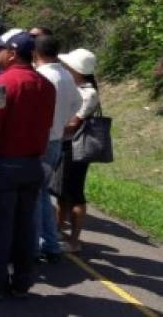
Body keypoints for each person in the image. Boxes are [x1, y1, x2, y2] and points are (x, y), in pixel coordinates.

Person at [0, 31, 56, 298]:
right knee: (25, 226)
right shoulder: (45, 85)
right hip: (33, 164)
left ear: (13, 53)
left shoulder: (4, 82)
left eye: (1, 49)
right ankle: (22, 279)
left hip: (5, 164)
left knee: (0, 227)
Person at [33, 34, 82, 262]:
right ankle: (50, 243)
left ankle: (38, 244)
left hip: (40, 140)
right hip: (56, 140)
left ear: (36, 53)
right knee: (41, 193)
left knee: (34, 194)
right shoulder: (65, 76)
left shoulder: (41, 76)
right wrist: (61, 122)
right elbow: (77, 104)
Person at [56, 48, 101, 254]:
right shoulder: (75, 87)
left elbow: (74, 123)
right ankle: (59, 231)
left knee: (74, 192)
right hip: (66, 144)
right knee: (62, 191)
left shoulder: (88, 93)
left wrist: (53, 128)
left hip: (75, 146)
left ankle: (74, 240)